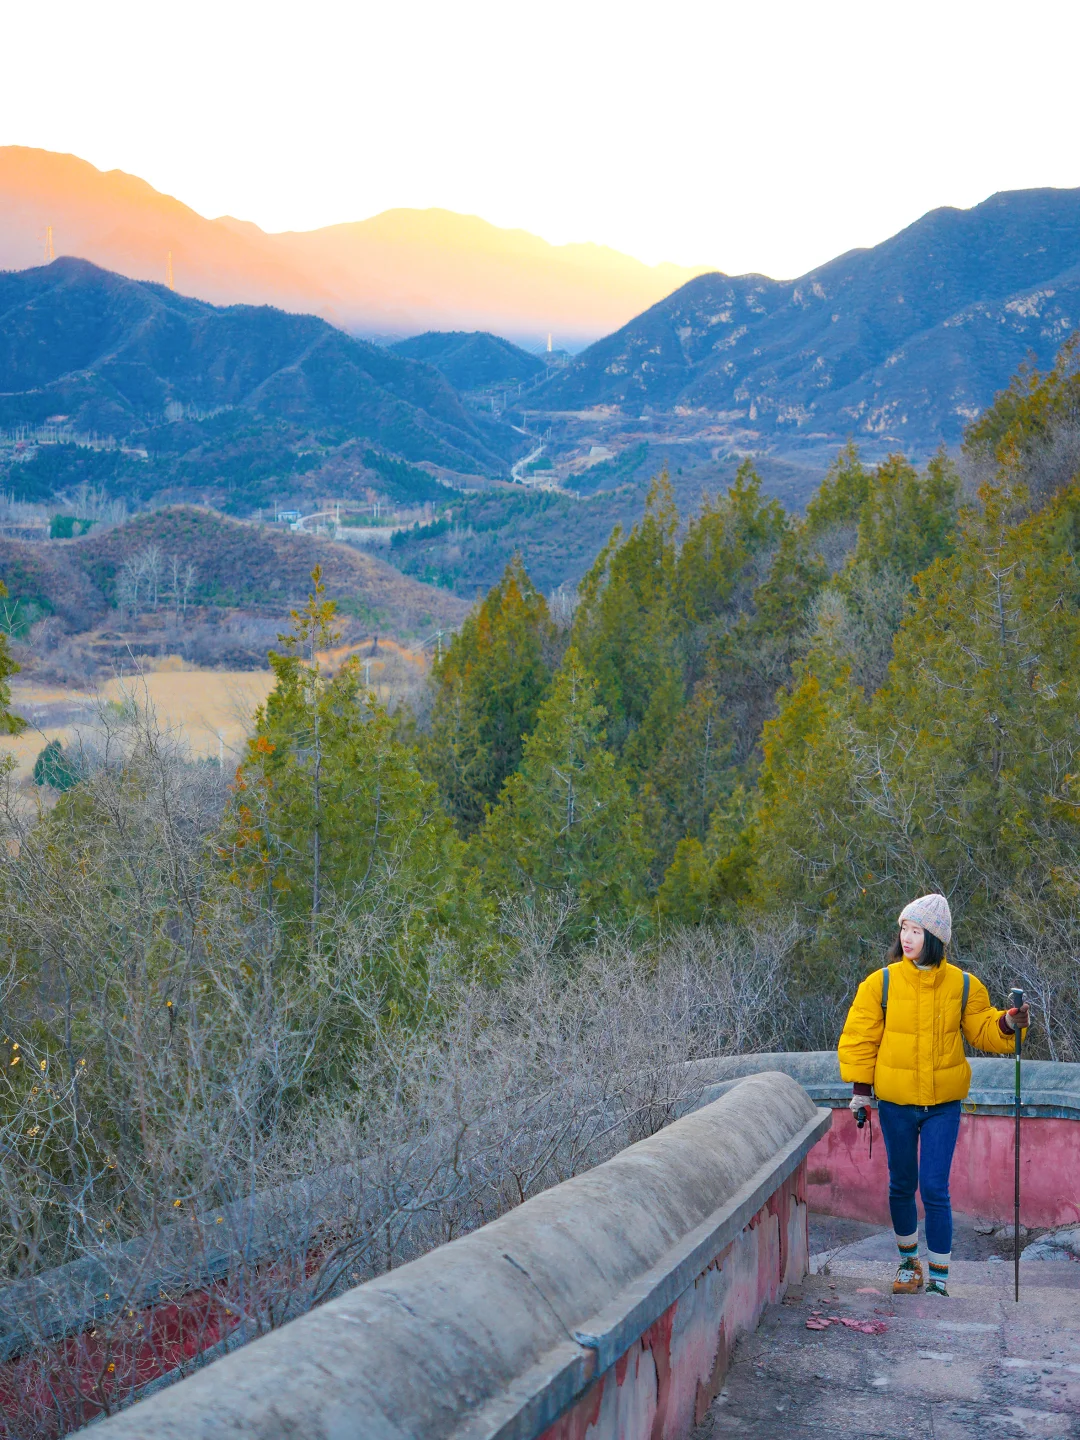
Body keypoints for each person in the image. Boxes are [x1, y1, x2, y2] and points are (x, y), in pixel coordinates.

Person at [838, 893, 1029, 1297]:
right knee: (902, 1183)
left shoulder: (963, 985)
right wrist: (861, 1091)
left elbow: (982, 1030)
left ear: (935, 937)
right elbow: (860, 1037)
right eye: (904, 929)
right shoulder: (882, 982)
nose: (906, 938)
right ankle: (909, 1263)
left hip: (943, 1104)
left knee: (935, 1187)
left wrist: (1009, 1023)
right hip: (895, 1104)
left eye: (916, 931)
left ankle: (939, 1275)